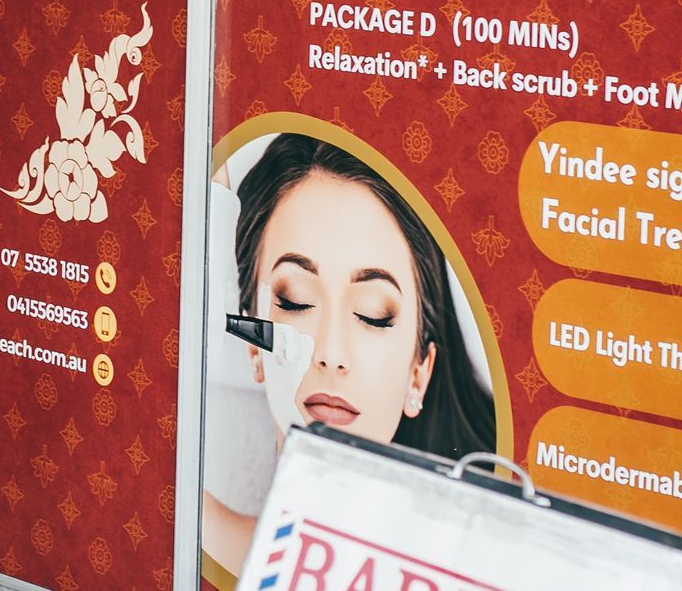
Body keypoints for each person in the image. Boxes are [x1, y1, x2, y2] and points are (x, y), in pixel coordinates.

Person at [201, 133, 495, 573]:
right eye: (295, 300)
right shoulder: (189, 539)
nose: (330, 353)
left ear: (420, 374)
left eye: (373, 314)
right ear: (255, 349)